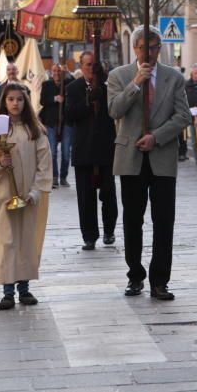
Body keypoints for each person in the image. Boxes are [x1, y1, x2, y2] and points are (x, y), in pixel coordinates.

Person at [107, 26, 191, 301]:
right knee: (132, 220)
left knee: (164, 221)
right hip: (130, 158)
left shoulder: (173, 77)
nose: (149, 53)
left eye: (154, 47)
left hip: (162, 157)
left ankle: (160, 280)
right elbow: (114, 110)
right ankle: (135, 275)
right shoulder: (119, 76)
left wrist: (157, 137)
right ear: (135, 49)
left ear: (160, 48)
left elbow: (182, 116)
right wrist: (136, 84)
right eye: (143, 47)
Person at [0, 82, 53, 310]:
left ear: (26, 102)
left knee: (26, 241)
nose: (15, 104)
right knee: (7, 241)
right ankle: (7, 290)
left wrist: (35, 191)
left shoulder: (35, 131)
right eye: (11, 99)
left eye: (19, 100)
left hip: (28, 196)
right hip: (4, 196)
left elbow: (44, 163)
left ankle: (24, 287)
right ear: (4, 101)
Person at [65, 51, 118, 250]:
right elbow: (70, 116)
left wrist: (101, 96)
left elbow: (115, 112)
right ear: (81, 65)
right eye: (87, 64)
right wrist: (88, 103)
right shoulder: (73, 88)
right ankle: (89, 235)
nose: (91, 68)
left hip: (105, 148)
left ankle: (109, 230)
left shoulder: (108, 87)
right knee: (85, 196)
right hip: (84, 149)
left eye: (94, 65)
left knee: (108, 192)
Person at [39, 63, 73, 189]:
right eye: (54, 71)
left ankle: (63, 177)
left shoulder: (68, 83)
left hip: (66, 122)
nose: (57, 73)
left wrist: (68, 72)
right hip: (51, 122)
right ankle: (54, 177)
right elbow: (42, 101)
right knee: (52, 151)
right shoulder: (46, 85)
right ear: (51, 72)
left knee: (65, 152)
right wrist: (54, 98)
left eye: (59, 71)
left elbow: (75, 83)